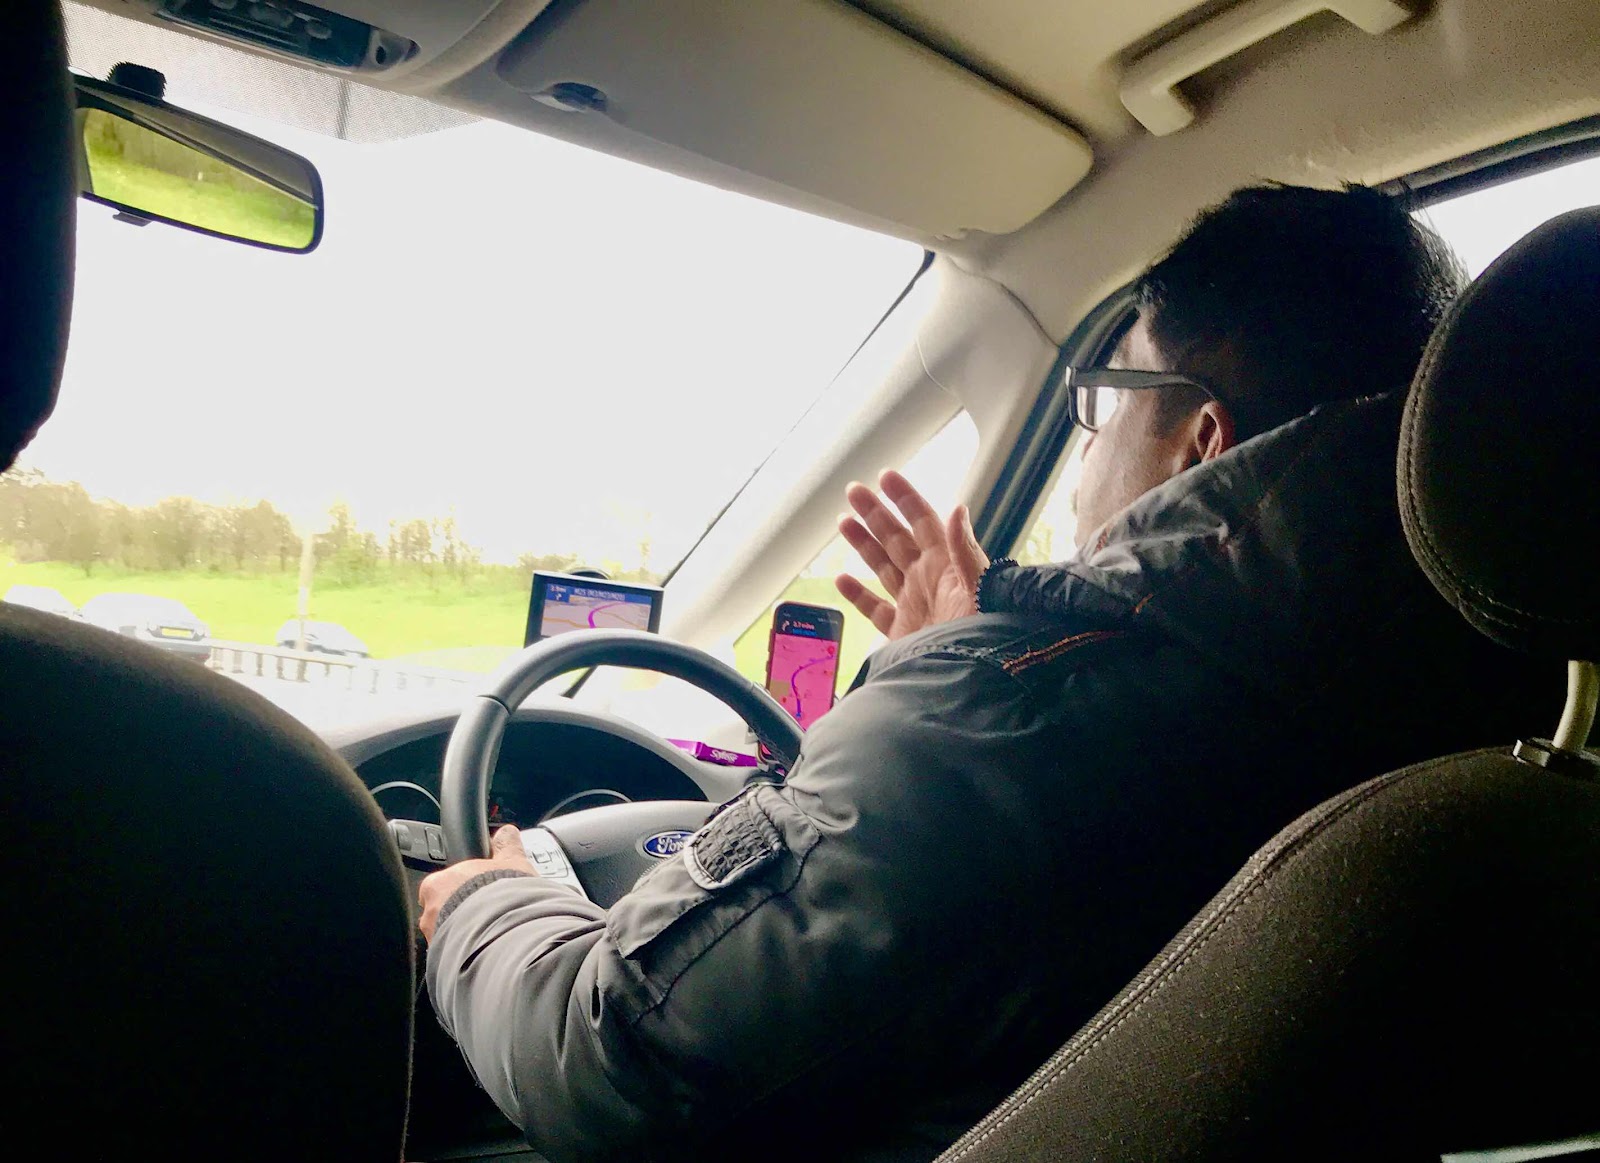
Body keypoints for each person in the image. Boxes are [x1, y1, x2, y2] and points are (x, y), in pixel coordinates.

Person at [419, 184, 1558, 1162]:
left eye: (1103, 400)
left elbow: (608, 1061)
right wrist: (937, 671)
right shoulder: (1514, 743)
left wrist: (486, 900)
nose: (1083, 458)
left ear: (1198, 441)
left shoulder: (1007, 724)